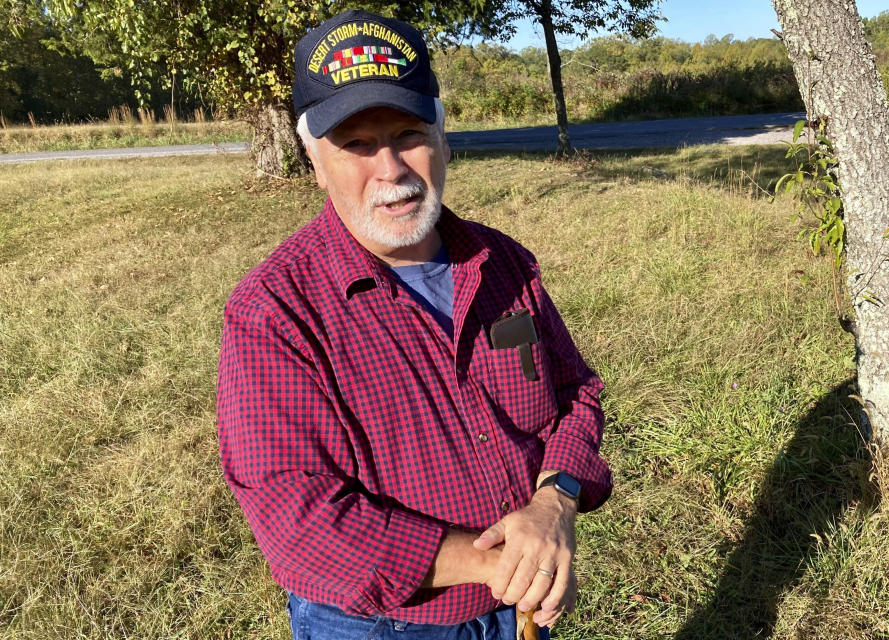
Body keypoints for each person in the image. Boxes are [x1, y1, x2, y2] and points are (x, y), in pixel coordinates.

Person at [217, 9, 612, 639]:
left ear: (443, 136)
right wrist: (494, 561)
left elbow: (575, 392)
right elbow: (298, 520)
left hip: (521, 608)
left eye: (408, 133)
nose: (392, 168)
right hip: (385, 625)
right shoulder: (274, 312)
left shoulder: (503, 262)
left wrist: (555, 499)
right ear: (314, 159)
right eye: (356, 144)